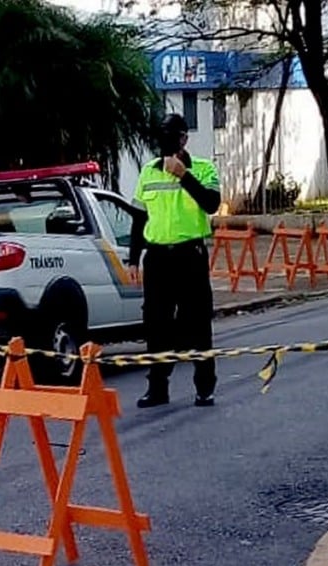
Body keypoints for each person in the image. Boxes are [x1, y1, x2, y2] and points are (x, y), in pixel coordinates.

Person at [127, 113, 222, 408]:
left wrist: (184, 175)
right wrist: (133, 259)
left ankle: (204, 387)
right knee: (156, 325)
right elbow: (138, 219)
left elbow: (211, 204)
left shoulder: (204, 169)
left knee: (198, 322)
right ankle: (157, 388)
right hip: (157, 258)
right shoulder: (148, 172)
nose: (166, 144)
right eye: (162, 138)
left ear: (184, 139)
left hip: (189, 256)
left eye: (172, 137)